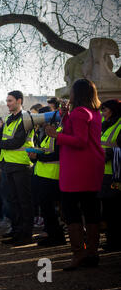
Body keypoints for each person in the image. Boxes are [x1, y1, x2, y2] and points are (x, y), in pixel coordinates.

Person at [45, 79, 104, 271]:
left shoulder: (80, 112)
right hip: (91, 166)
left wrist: (56, 136)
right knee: (91, 211)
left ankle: (79, 254)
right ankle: (92, 253)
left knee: (71, 212)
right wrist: (65, 115)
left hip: (77, 168)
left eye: (71, 92)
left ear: (77, 94)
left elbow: (79, 140)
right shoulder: (93, 112)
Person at [0, 90, 35, 246]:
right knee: (12, 202)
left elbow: (17, 142)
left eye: (10, 101)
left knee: (24, 202)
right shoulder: (8, 118)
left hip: (21, 165)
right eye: (7, 101)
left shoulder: (27, 118)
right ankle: (16, 231)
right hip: (8, 164)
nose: (7, 103)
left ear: (19, 101)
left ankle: (26, 234)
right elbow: (1, 135)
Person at [28, 107, 66, 247]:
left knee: (49, 210)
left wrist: (38, 155)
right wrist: (35, 156)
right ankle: (53, 235)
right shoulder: (46, 134)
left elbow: (57, 155)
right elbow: (45, 153)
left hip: (52, 177)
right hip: (42, 175)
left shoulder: (58, 134)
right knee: (46, 210)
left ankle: (56, 237)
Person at [98, 99, 121, 252]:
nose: (102, 113)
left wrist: (108, 153)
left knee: (115, 210)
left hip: (115, 175)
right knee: (107, 210)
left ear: (112, 110)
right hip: (103, 173)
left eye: (104, 110)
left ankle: (115, 242)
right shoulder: (106, 124)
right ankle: (111, 240)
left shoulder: (119, 125)